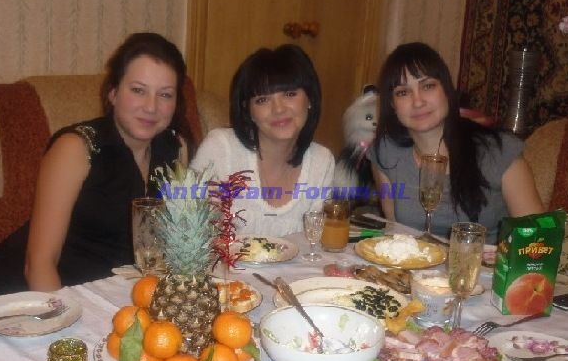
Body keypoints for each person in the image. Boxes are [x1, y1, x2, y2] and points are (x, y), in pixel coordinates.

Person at [0, 32, 193, 314]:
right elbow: (39, 264)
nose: (151, 107)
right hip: (22, 297)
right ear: (113, 93)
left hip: (105, 299)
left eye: (165, 94)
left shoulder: (175, 148)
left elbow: (171, 246)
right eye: (138, 90)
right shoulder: (77, 148)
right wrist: (68, 327)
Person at [370, 42, 543, 243]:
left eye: (428, 86)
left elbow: (537, 239)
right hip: (415, 260)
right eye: (403, 92)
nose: (417, 101)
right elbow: (394, 233)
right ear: (392, 104)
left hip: (482, 262)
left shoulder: (499, 151)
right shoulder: (386, 152)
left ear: (447, 90)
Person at [190, 44, 334, 236]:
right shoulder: (220, 149)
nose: (278, 109)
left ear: (310, 99)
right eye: (262, 100)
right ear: (248, 110)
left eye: (289, 94)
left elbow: (314, 243)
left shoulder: (322, 161)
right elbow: (184, 231)